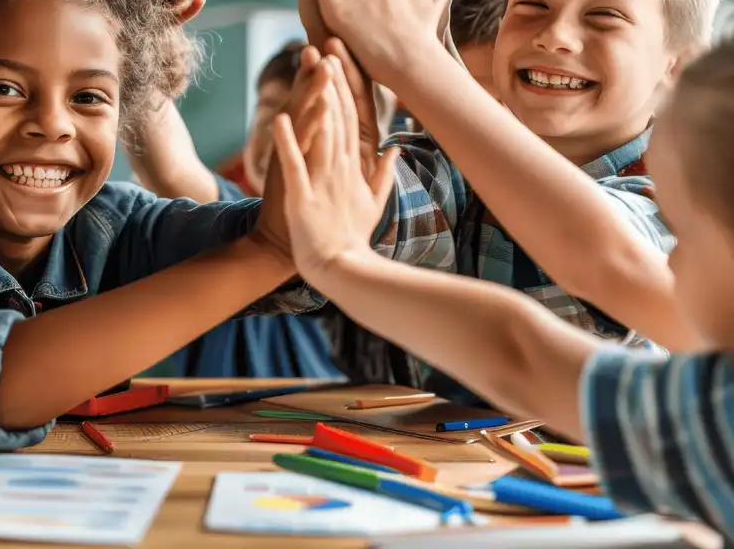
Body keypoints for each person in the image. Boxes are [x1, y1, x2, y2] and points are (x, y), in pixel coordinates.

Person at [289, 0, 720, 394]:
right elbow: (349, 215)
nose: (556, 35)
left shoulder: (686, 200)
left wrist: (415, 62)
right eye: (532, 3)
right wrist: (341, 40)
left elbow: (594, 250)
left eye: (606, 16)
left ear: (677, 68)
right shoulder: (453, 171)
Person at [272, 38, 734, 545]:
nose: (670, 256)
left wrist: (338, 261)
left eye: (682, 227)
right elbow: (516, 349)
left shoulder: (713, 411)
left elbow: (519, 354)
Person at [0, 0, 331, 451]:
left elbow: (315, 255)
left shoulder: (117, 228)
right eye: (3, 88)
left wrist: (358, 60)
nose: (53, 125)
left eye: (90, 96)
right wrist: (269, 248)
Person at [126, 39, 340, 379]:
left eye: (309, 118)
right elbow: (167, 166)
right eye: (270, 115)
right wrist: (144, 38)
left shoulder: (367, 239)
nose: (283, 134)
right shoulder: (227, 217)